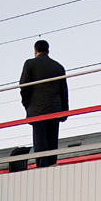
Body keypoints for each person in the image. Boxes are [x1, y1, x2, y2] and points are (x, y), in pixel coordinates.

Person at [19, 39, 69, 167]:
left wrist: (27, 104)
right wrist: (64, 111)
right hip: (55, 109)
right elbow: (64, 91)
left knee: (40, 142)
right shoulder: (58, 67)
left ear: (35, 51)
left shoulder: (30, 64)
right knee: (52, 140)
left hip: (37, 110)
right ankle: (52, 165)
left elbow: (24, 86)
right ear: (48, 50)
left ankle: (42, 166)